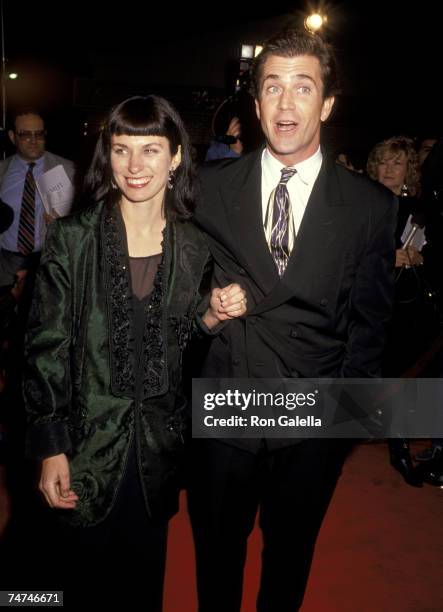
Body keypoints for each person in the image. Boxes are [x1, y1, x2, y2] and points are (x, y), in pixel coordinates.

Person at [188, 28, 396, 612]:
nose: (285, 104)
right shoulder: (208, 189)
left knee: (290, 554)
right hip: (228, 402)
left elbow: (370, 328)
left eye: (302, 88)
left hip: (311, 418)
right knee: (218, 551)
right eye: (272, 88)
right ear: (255, 105)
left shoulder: (370, 207)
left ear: (326, 104)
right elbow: (181, 292)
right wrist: (208, 306)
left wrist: (342, 433)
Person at [23, 95, 246, 609]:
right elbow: (45, 346)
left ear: (175, 158)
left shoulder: (195, 244)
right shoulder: (73, 240)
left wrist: (209, 316)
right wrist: (51, 444)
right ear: (108, 156)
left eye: (150, 150)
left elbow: (183, 336)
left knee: (141, 587)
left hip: (157, 455)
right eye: (122, 150)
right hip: (85, 447)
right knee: (68, 588)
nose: (135, 166)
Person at [367, 135, 437, 486]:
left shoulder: (420, 210)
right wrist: (386, 257)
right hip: (366, 302)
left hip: (404, 304)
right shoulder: (364, 204)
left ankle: (400, 445)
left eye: (397, 163)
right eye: (383, 162)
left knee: (400, 374)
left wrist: (420, 257)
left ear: (409, 170)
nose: (389, 169)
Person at [0, 108, 75, 286]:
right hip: (5, 261)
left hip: (49, 260)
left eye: (39, 134)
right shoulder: (1, 171)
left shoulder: (69, 170)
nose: (33, 140)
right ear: (12, 136)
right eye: (25, 134)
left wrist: (66, 224)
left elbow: (87, 217)